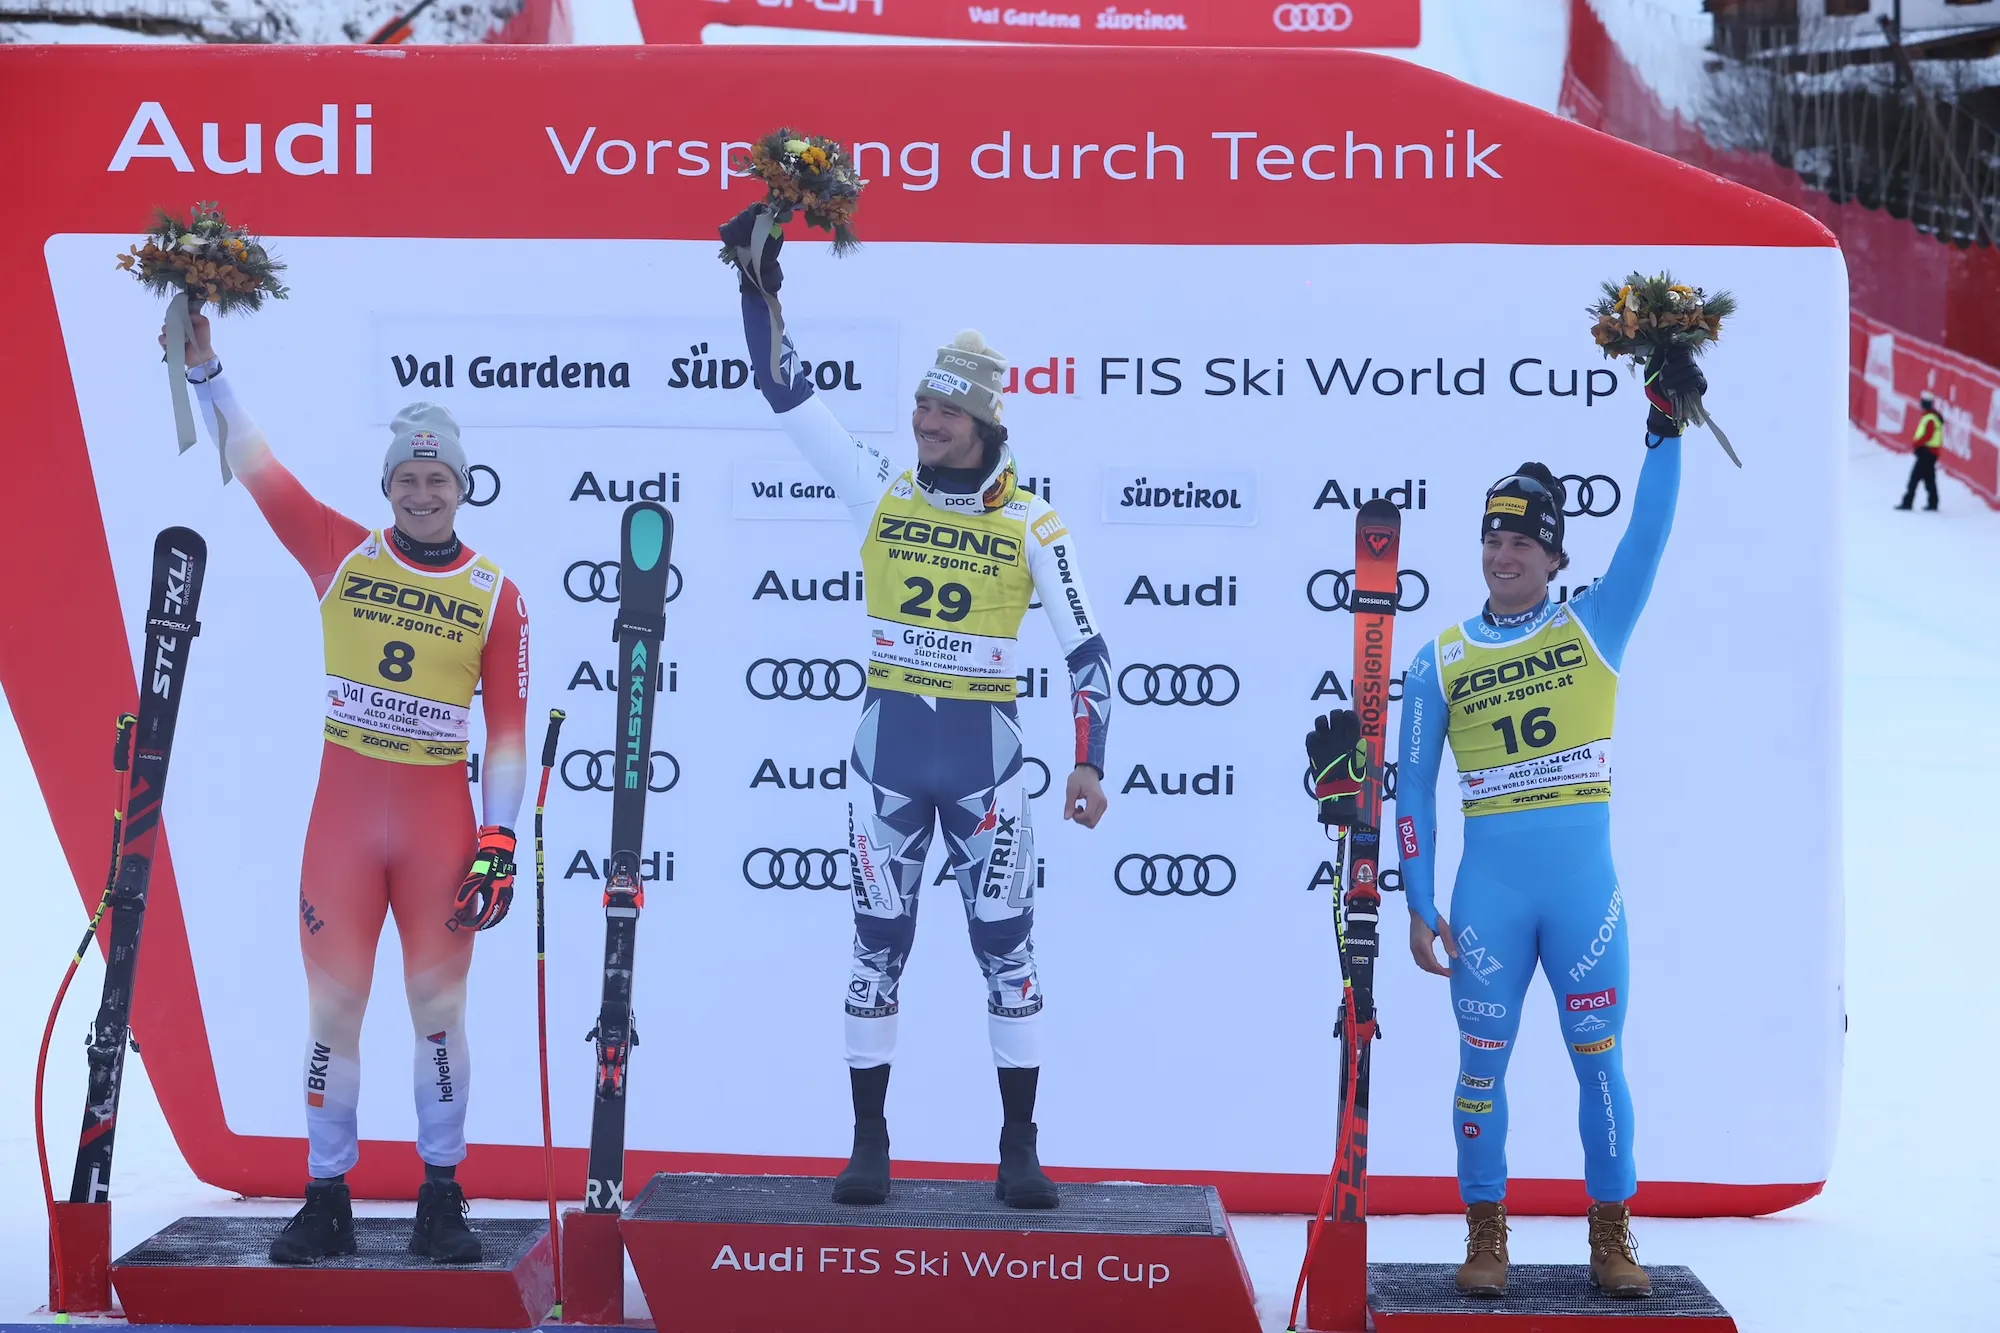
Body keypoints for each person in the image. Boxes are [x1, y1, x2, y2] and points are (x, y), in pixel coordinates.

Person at [720, 203, 1112, 1210]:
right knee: (873, 949)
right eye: (922, 407)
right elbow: (784, 387)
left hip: (985, 766)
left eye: (943, 413)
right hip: (886, 754)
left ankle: (1019, 1146)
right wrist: (758, 290)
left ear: (982, 425)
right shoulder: (878, 489)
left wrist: (1088, 761)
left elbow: (1087, 650)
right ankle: (866, 1142)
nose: (923, 422)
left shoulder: (1033, 522)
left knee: (1007, 952)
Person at [174, 311, 530, 1263]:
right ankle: (325, 1193)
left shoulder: (498, 592)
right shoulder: (339, 550)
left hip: (437, 828)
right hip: (341, 822)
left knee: (439, 1016)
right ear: (389, 489)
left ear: (462, 487)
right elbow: (259, 470)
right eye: (409, 479)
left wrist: (500, 838)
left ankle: (442, 1196)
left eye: (439, 479)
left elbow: (505, 733)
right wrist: (208, 373)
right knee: (332, 1014)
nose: (423, 493)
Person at [1394, 346, 1709, 1299]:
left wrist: (1663, 429)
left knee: (1600, 1068)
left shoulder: (1593, 627)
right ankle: (1484, 1230)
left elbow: (1650, 534)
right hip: (1487, 896)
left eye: (1524, 541)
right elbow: (1410, 792)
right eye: (1493, 539)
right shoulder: (1437, 658)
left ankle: (1612, 1233)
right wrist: (1415, 899)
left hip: (1583, 895)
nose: (1504, 554)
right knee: (1479, 1071)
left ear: (1555, 555)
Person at [1896, 391, 1944, 511]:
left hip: (1926, 453)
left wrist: (1917, 443)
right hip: (1930, 453)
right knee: (1929, 479)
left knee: (1914, 478)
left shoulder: (1930, 418)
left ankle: (1908, 502)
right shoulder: (1932, 416)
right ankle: (1933, 503)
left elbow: (1928, 434)